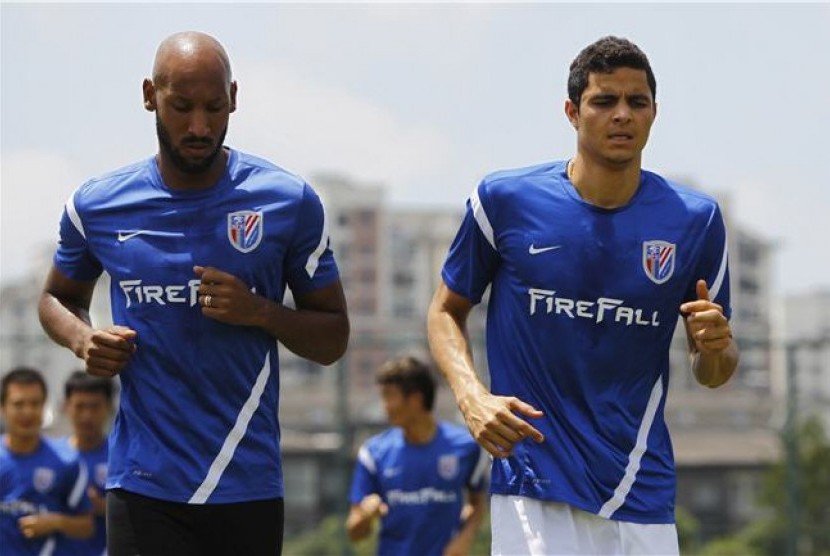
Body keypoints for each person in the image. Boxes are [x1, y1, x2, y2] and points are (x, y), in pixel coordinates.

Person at [38, 30, 349, 556]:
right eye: (182, 107)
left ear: (234, 97)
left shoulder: (287, 201)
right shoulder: (98, 205)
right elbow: (55, 299)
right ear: (148, 95)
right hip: (143, 482)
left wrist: (259, 311)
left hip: (245, 482)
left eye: (215, 107)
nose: (200, 126)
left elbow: (333, 338)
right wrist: (82, 339)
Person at [427, 36, 739, 555]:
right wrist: (471, 395)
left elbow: (715, 372)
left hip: (641, 484)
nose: (622, 115)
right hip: (534, 476)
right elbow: (445, 310)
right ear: (572, 112)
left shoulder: (695, 221)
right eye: (604, 101)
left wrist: (714, 348)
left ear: (655, 113)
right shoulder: (504, 200)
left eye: (637, 102)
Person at [346, 356, 488, 556]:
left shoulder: (466, 447)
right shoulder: (373, 453)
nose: (384, 406)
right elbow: (354, 533)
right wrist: (366, 516)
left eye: (389, 396)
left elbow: (477, 503)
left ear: (415, 399)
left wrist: (463, 540)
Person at [0, 367, 94, 555]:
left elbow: (87, 526)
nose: (27, 412)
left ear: (44, 407)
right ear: (3, 408)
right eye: (19, 404)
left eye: (35, 404)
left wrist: (56, 522)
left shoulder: (66, 461)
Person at [57, 371, 115, 556]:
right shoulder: (53, 456)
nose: (87, 415)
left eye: (95, 407)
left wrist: (103, 506)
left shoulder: (121, 458)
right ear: (66, 407)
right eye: (79, 406)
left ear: (110, 407)